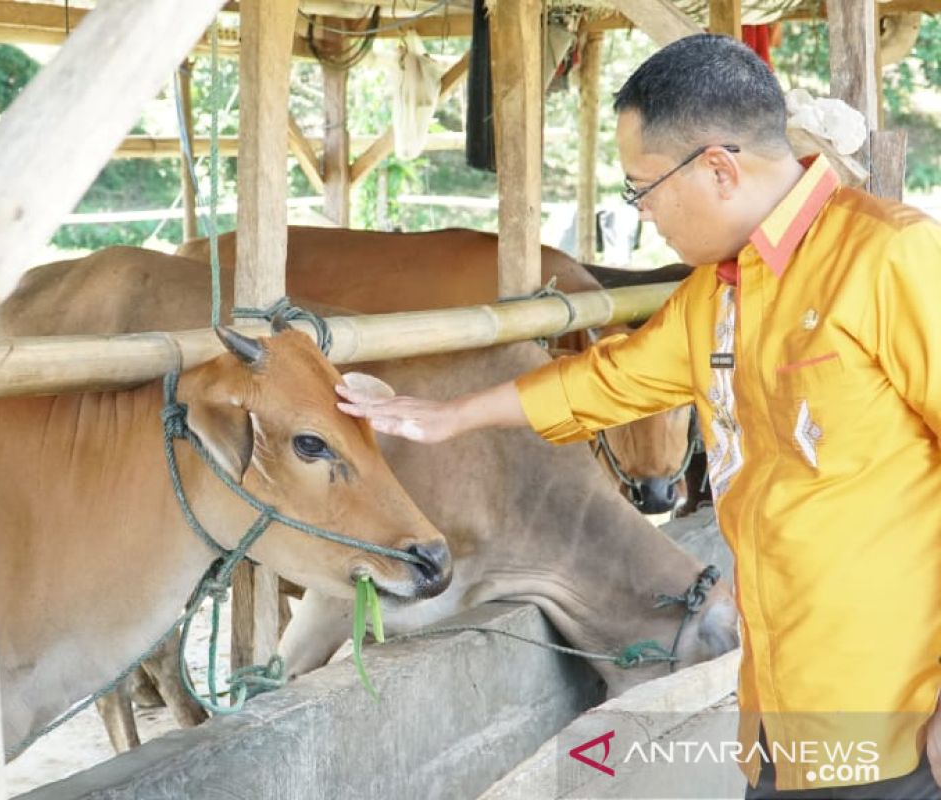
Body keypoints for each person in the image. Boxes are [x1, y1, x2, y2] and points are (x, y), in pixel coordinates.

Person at [336, 34, 941, 799]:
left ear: (719, 168)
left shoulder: (892, 257)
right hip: (777, 708)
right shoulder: (717, 294)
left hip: (894, 709)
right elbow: (604, 380)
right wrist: (445, 417)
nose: (645, 212)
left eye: (642, 187)